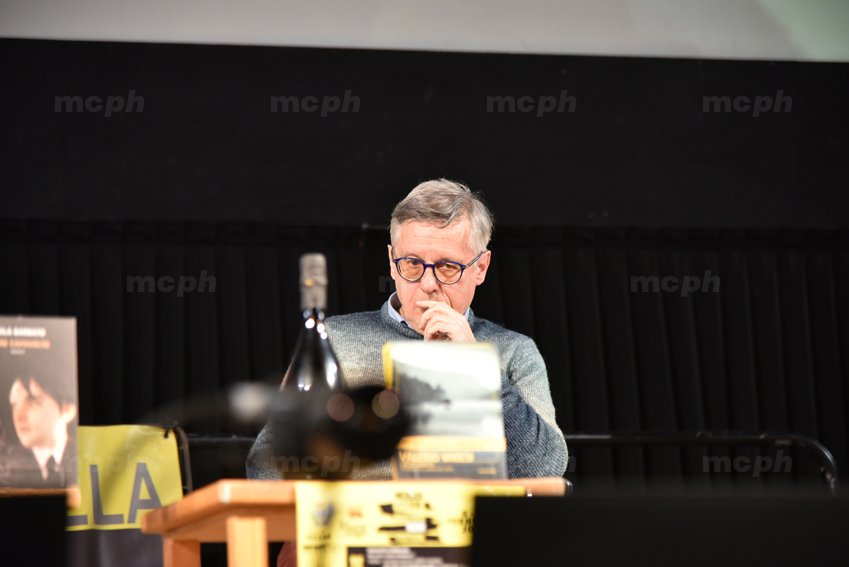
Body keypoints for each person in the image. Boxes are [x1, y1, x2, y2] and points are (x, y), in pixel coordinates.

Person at [247, 178, 567, 480]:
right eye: (412, 264)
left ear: (480, 267)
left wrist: (477, 366)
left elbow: (545, 470)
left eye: (447, 267)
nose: (428, 284)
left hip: (476, 519)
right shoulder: (334, 340)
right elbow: (268, 463)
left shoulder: (514, 352)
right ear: (391, 261)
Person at [4, 372, 78, 488]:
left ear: (68, 410)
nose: (19, 417)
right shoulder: (5, 470)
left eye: (33, 401)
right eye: (14, 405)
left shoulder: (89, 458)